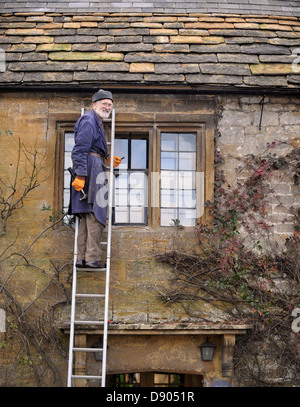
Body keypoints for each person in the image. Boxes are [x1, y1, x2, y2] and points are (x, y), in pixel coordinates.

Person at [70, 89, 121, 269]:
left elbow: (92, 148)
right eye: (104, 104)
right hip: (90, 170)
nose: (107, 107)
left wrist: (107, 159)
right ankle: (91, 258)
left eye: (109, 104)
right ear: (94, 105)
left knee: (87, 215)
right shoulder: (89, 120)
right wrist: (82, 175)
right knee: (96, 215)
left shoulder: (96, 122)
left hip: (94, 167)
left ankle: (82, 258)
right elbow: (79, 150)